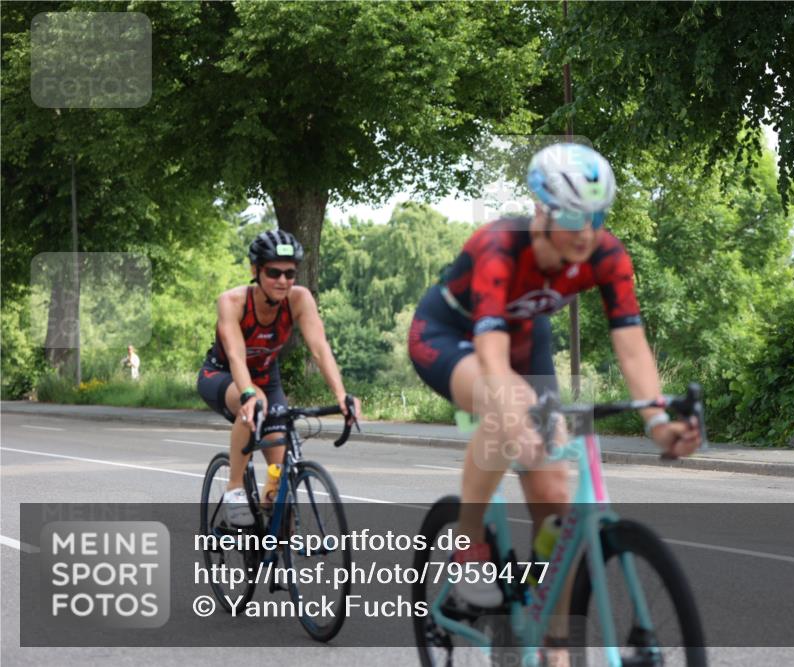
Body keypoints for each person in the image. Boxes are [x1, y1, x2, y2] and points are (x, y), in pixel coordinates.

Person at [408, 143, 702, 627]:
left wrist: (656, 421)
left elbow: (632, 348)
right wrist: (511, 415)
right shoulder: (500, 246)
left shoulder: (606, 254)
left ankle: (552, 642)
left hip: (526, 341)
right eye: (572, 216)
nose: (585, 231)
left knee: (557, 500)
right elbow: (492, 356)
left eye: (596, 216)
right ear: (542, 209)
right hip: (448, 335)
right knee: (508, 404)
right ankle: (469, 545)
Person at [198, 229, 359, 527]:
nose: (283, 281)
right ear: (255, 271)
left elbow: (319, 348)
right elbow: (235, 355)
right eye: (273, 272)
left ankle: (271, 527)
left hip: (266, 377)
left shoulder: (299, 299)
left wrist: (341, 395)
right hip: (222, 373)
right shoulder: (232, 302)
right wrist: (247, 395)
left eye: (290, 273)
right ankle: (234, 488)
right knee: (255, 403)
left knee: (281, 479)